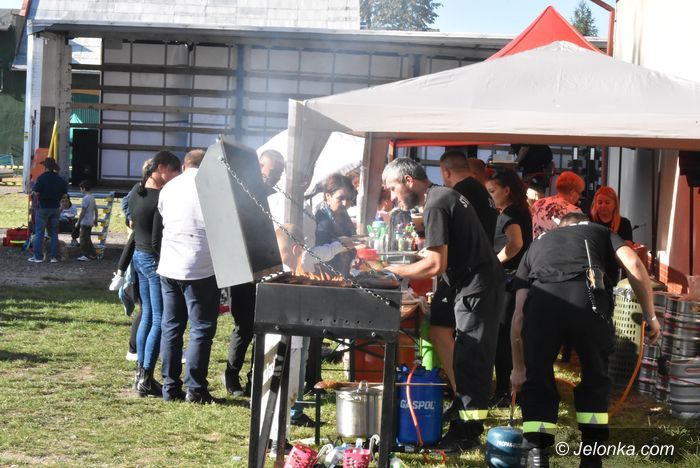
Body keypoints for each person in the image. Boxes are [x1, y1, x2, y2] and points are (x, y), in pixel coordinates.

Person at [510, 212, 660, 468]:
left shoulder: (537, 245)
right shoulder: (600, 231)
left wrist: (518, 368)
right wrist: (650, 316)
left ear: (559, 228)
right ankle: (591, 457)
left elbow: (518, 315)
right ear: (584, 223)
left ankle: (537, 455)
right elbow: (634, 265)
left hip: (543, 300)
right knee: (595, 377)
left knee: (538, 379)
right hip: (588, 298)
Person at [383, 158, 503, 451]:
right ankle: (463, 412)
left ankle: (467, 432)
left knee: (470, 359)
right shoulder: (442, 195)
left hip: (477, 286)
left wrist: (393, 271)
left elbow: (436, 265)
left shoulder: (436, 204)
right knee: (458, 348)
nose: (393, 197)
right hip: (473, 282)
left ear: (409, 180)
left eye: (393, 189)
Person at [157, 149, 224, 404]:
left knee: (171, 327)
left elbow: (164, 216)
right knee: (201, 328)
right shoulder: (212, 188)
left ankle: (170, 386)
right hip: (199, 267)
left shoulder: (169, 187)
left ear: (185, 165)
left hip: (169, 265)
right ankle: (195, 389)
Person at [435, 150, 499, 392]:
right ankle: (464, 389)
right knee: (455, 332)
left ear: (446, 172)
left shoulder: (458, 193)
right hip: (479, 270)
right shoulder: (482, 191)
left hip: (466, 272)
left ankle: (461, 389)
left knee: (441, 328)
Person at [224, 149, 286, 397]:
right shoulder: (242, 190)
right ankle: (232, 375)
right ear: (260, 166)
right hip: (243, 269)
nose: (277, 177)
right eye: (274, 171)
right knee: (244, 326)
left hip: (268, 267)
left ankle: (255, 377)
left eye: (280, 172)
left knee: (263, 327)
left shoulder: (274, 196)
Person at [128, 150, 182, 397]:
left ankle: (140, 374)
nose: (176, 176)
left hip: (139, 256)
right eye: (174, 171)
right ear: (161, 168)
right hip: (152, 258)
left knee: (148, 315)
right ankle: (147, 377)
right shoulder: (160, 198)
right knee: (160, 318)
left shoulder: (137, 192)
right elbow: (158, 238)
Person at [304, 173, 357, 392]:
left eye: (349, 199)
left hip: (338, 280)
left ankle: (314, 378)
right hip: (320, 280)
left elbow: (351, 243)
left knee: (322, 332)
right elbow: (313, 254)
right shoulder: (319, 219)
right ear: (327, 196)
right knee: (315, 334)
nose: (345, 203)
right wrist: (340, 246)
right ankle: (311, 380)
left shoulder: (343, 217)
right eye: (340, 198)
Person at [485, 168, 532, 408]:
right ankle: (512, 388)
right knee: (512, 335)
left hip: (509, 281)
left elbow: (516, 243)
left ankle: (505, 389)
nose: (489, 195)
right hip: (519, 280)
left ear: (506, 190)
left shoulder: (510, 215)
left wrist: (494, 262)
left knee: (503, 336)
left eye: (492, 191)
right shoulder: (520, 211)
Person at [29, 157, 68, 263]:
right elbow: (64, 195)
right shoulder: (60, 179)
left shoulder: (41, 178)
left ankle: (38, 257)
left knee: (39, 233)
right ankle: (54, 257)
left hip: (43, 208)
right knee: (54, 233)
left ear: (45, 166)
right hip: (55, 208)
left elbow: (36, 192)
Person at [530, 171, 584, 238]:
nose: (579, 197)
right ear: (573, 192)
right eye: (580, 193)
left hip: (537, 244)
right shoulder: (575, 211)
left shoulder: (538, 203)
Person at [76, 180, 98, 261]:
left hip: (85, 222)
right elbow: (96, 209)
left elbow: (83, 211)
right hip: (90, 221)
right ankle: (93, 254)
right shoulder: (92, 197)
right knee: (88, 238)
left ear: (84, 188)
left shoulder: (85, 198)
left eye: (81, 189)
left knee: (83, 239)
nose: (80, 190)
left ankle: (85, 255)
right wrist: (95, 219)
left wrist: (78, 221)